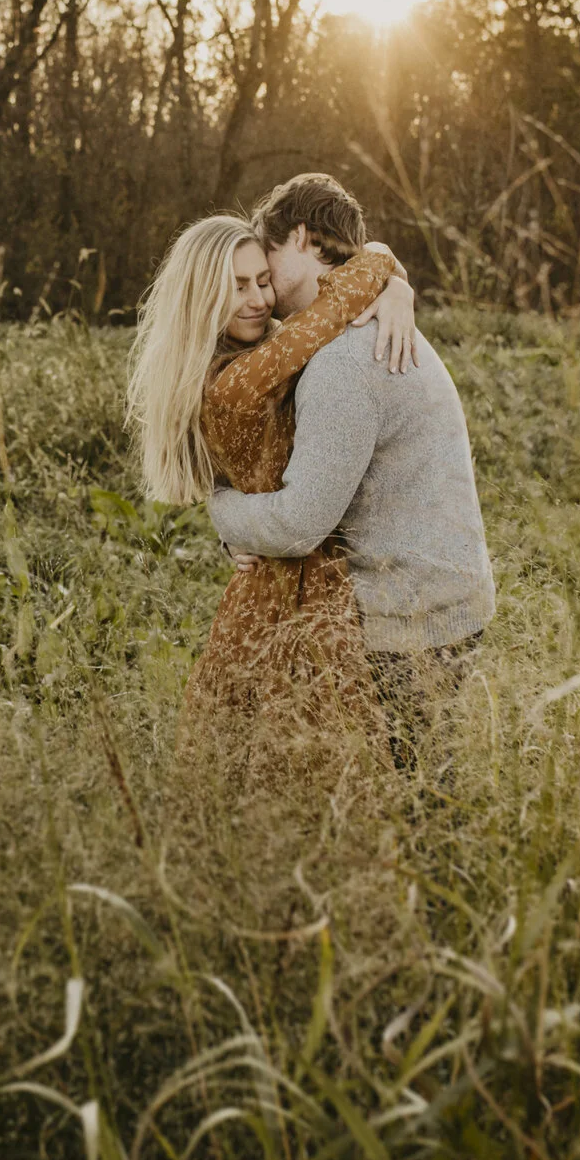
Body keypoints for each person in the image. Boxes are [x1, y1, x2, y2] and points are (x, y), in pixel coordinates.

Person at [208, 174, 495, 749]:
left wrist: (223, 512)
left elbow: (299, 523)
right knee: (425, 789)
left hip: (411, 620)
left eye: (267, 258)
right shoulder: (366, 315)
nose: (261, 289)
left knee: (413, 799)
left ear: (301, 236)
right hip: (444, 597)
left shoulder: (344, 357)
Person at [126, 212, 420, 738]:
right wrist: (390, 272)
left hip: (285, 569)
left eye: (263, 280)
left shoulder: (243, 355)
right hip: (295, 579)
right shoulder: (238, 380)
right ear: (201, 296)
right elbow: (333, 309)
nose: (260, 300)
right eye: (237, 287)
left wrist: (397, 287)